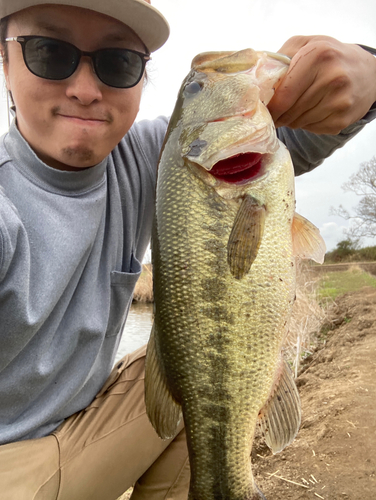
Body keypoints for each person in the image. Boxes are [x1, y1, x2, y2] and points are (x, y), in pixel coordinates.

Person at [0, 0, 374, 498]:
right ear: (4, 62)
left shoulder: (159, 155)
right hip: (13, 468)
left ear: (141, 77)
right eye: (49, 53)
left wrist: (367, 72)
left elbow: (305, 133)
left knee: (202, 373)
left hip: (83, 424)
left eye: (117, 63)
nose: (85, 90)